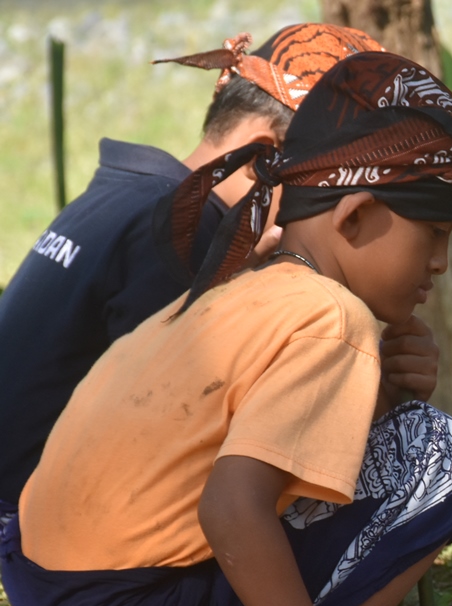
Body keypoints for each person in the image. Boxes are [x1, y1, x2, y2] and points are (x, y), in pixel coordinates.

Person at [0, 52, 452, 606]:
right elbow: (231, 508)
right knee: (438, 454)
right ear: (356, 216)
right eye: (433, 234)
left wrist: (382, 396)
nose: (441, 263)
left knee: (390, 438)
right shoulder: (330, 317)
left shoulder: (236, 288)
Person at [0, 24, 383, 521]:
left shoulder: (136, 197)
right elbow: (190, 434)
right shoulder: (178, 237)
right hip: (33, 523)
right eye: (329, 185)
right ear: (264, 155)